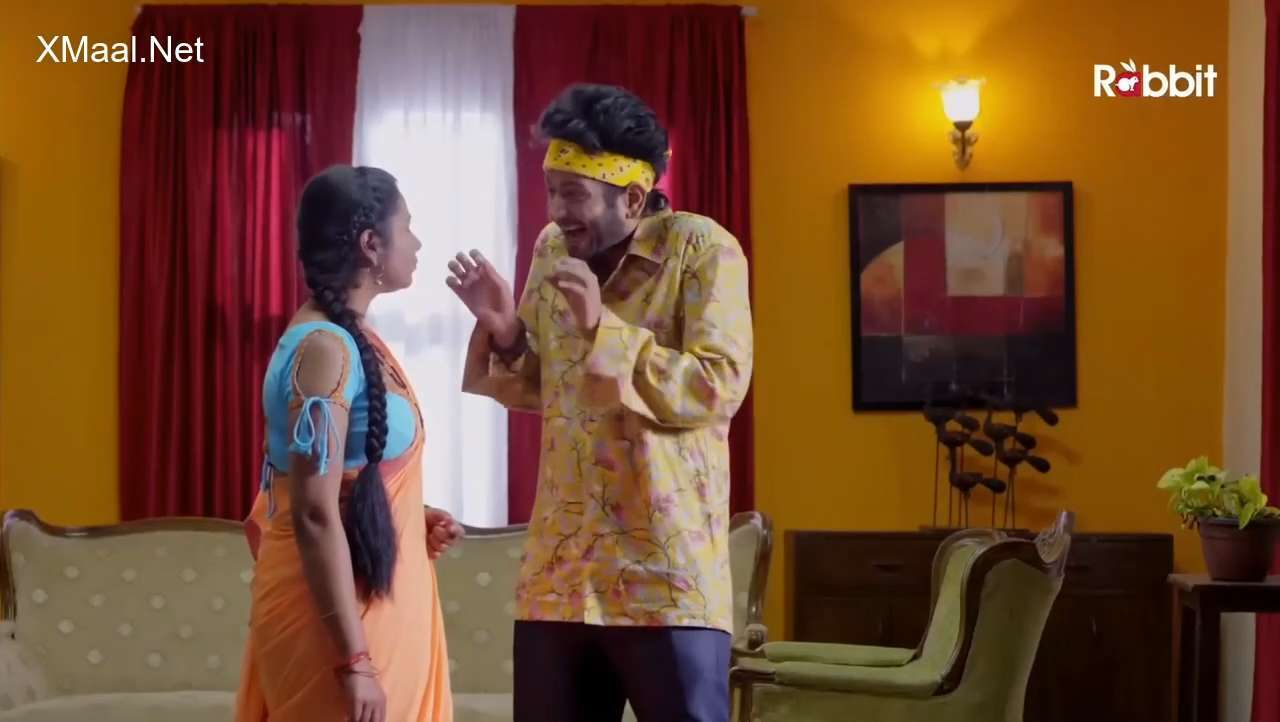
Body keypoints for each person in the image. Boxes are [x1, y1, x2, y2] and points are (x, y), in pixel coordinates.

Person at [448, 84, 754, 722]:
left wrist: (600, 330)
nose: (557, 211)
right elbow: (547, 385)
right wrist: (505, 331)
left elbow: (717, 385)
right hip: (559, 575)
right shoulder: (552, 250)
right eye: (551, 190)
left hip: (665, 576)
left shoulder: (702, 250)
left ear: (632, 197)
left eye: (573, 194)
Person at [236, 165, 463, 722]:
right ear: (370, 245)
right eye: (407, 227)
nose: (416, 243)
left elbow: (344, 480)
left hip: (374, 598)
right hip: (339, 628)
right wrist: (355, 663)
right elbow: (313, 512)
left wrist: (405, 514)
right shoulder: (324, 349)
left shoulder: (350, 338)